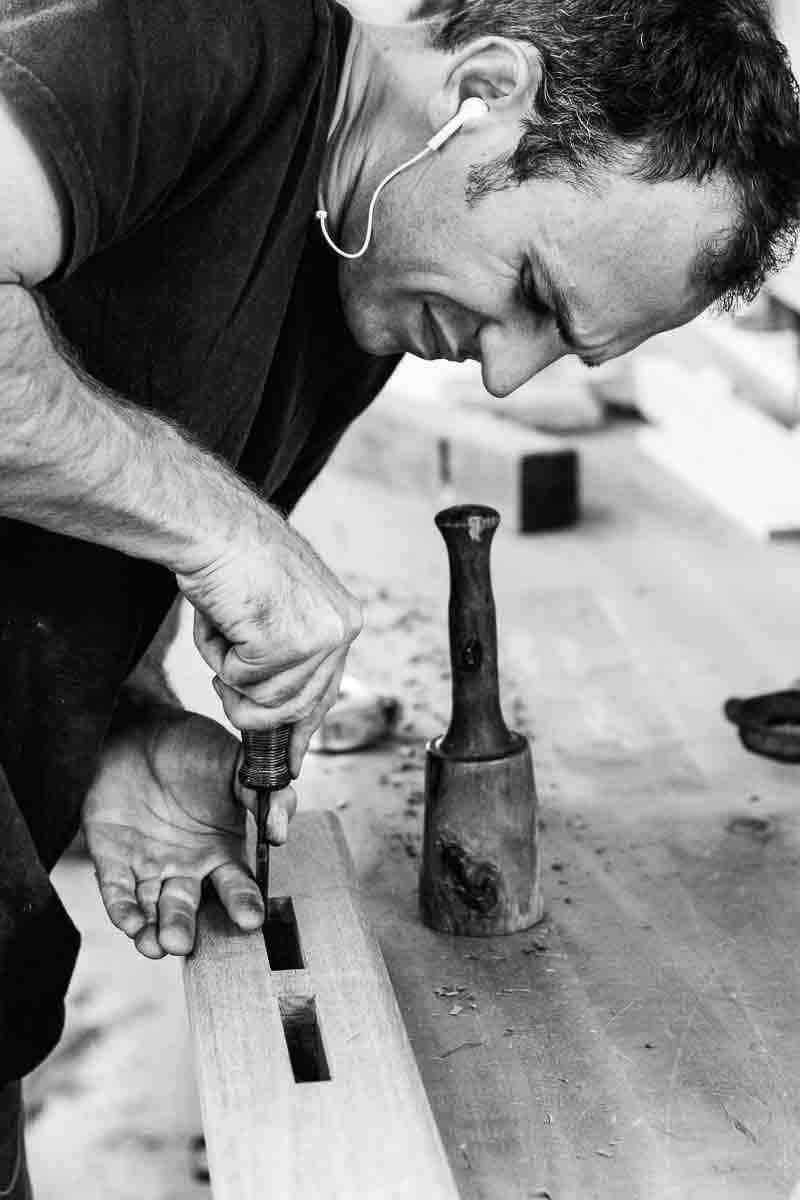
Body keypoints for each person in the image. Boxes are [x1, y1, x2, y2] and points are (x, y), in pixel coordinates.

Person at [0, 0, 798, 1191]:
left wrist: (113, 723)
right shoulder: (189, 38)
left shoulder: (369, 268)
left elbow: (67, 491)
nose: (504, 366)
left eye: (565, 351)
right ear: (479, 87)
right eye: (531, 288)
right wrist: (225, 530)